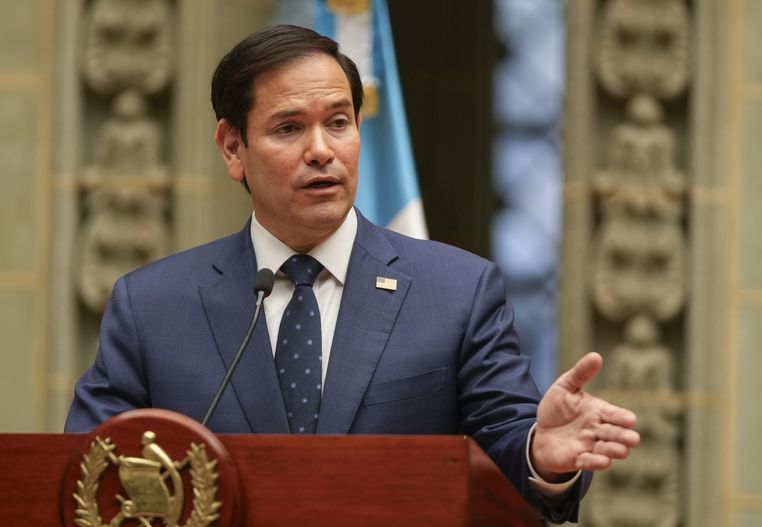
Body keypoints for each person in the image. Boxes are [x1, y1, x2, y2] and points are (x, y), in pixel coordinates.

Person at [65, 25, 639, 523]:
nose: (322, 150)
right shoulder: (152, 307)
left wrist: (542, 453)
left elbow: (510, 458)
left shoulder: (457, 293)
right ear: (233, 147)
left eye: (339, 122)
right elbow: (88, 477)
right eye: (289, 129)